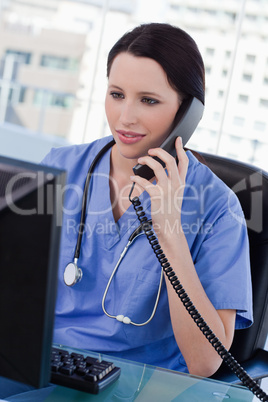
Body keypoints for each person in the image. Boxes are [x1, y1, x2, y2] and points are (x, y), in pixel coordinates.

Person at [41, 22, 252, 379]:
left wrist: (169, 229)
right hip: (41, 370)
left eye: (149, 100)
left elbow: (205, 362)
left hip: (140, 386)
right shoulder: (58, 169)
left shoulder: (218, 208)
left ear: (188, 112)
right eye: (116, 94)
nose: (125, 118)